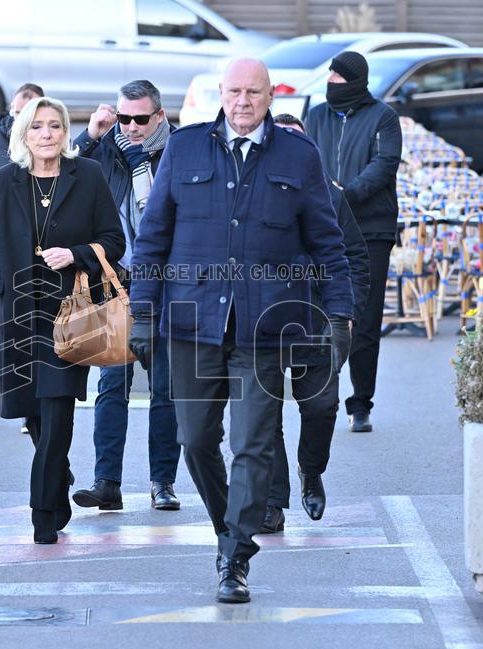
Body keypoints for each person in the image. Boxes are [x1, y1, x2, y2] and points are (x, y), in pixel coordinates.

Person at [129, 59, 352, 603]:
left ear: (270, 95)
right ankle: (230, 527)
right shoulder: (184, 150)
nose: (243, 101)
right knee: (195, 439)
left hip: (264, 328)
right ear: (220, 95)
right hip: (191, 323)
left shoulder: (299, 157)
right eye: (234, 91)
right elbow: (153, 236)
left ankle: (234, 556)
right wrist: (141, 312)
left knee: (254, 445)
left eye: (254, 92)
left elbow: (328, 244)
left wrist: (341, 317)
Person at [0, 96, 124, 545]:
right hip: (15, 315)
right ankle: (56, 480)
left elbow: (112, 240)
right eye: (37, 126)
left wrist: (75, 255)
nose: (47, 134)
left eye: (55, 126)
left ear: (64, 132)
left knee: (57, 412)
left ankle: (42, 515)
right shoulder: (1, 183)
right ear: (24, 134)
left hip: (68, 316)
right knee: (33, 414)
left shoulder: (88, 177)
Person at [71, 80, 181, 512]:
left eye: (140, 119)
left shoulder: (179, 151)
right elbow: (61, 172)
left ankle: (163, 483)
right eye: (124, 118)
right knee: (111, 383)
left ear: (159, 115)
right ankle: (107, 482)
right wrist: (91, 134)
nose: (131, 127)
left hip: (166, 282)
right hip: (116, 282)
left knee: (165, 388)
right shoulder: (105, 151)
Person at [261, 113, 370, 533]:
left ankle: (311, 470)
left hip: (319, 321)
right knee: (264, 416)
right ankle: (272, 502)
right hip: (265, 322)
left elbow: (355, 259)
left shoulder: (332, 197)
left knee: (322, 407)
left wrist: (347, 313)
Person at [304, 50, 403, 434]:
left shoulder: (383, 117)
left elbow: (385, 163)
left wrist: (346, 192)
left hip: (371, 228)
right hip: (324, 227)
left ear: (356, 81)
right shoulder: (316, 116)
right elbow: (306, 158)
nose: (331, 84)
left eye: (338, 78)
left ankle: (360, 402)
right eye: (328, 77)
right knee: (319, 312)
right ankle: (319, 392)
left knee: (363, 316)